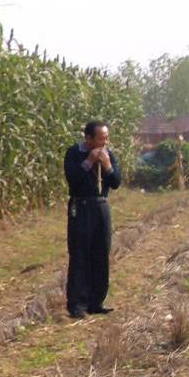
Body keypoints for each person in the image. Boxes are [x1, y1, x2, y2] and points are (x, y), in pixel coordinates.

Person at [64, 119, 122, 319]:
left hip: (101, 206)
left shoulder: (108, 155)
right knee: (80, 254)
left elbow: (116, 182)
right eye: (100, 139)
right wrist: (89, 161)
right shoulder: (74, 153)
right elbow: (73, 178)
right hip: (81, 207)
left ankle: (96, 302)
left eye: (106, 139)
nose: (104, 143)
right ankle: (77, 305)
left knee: (100, 254)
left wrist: (106, 165)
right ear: (88, 138)